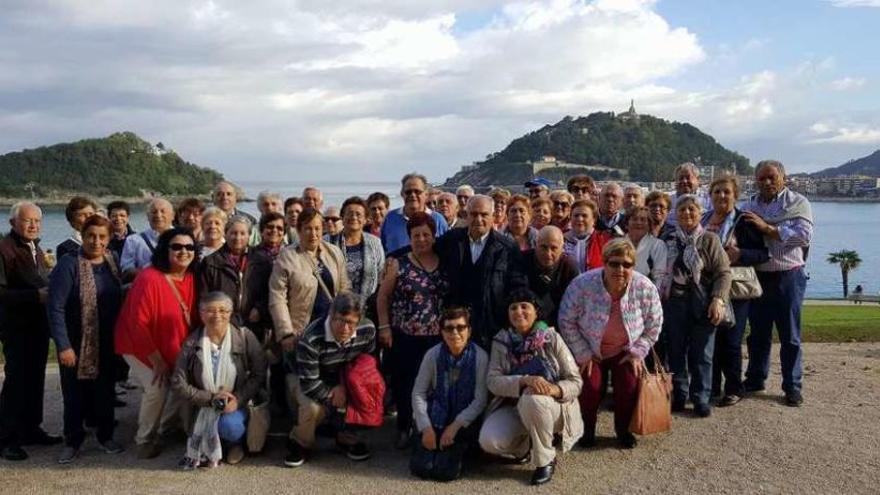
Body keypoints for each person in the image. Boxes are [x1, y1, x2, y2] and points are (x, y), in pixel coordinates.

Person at [558, 239, 663, 449]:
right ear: (604, 263)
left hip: (625, 349)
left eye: (627, 264)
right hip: (590, 349)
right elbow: (566, 319)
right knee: (590, 387)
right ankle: (586, 429)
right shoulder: (582, 284)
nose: (620, 269)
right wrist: (583, 352)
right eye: (614, 263)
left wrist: (637, 352)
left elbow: (655, 322)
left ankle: (623, 430)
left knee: (629, 386)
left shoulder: (644, 287)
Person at [478, 289, 583, 486]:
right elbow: (493, 381)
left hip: (552, 407)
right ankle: (524, 447)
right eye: (513, 308)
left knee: (533, 398)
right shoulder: (501, 341)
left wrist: (555, 390)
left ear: (536, 312)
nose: (519, 312)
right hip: (514, 407)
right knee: (489, 440)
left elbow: (575, 381)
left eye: (525, 306)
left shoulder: (551, 338)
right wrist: (524, 380)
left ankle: (546, 459)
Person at [114, 227, 198, 459]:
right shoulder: (149, 278)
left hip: (168, 344)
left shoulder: (190, 277)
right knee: (157, 388)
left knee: (179, 385)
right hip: (139, 345)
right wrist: (156, 359)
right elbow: (137, 323)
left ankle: (165, 427)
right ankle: (145, 439)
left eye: (189, 247)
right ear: (165, 249)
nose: (184, 251)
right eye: (177, 247)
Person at [48, 215, 125, 463]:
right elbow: (55, 308)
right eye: (91, 235)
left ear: (109, 239)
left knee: (104, 390)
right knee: (74, 395)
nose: (96, 241)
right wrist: (64, 346)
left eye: (102, 236)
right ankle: (72, 441)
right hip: (76, 342)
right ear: (82, 235)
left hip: (106, 341)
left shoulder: (111, 261)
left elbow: (116, 293)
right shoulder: (68, 264)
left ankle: (105, 436)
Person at [741, 160, 813, 407]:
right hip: (759, 277)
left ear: (784, 177)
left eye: (772, 177)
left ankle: (792, 386)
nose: (767, 182)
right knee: (758, 333)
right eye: (762, 178)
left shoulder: (798, 203)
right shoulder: (749, 205)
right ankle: (755, 378)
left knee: (790, 335)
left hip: (788, 276)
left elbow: (803, 237)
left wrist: (768, 229)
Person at [376, 213, 448, 448]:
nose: (421, 239)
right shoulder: (399, 263)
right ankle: (403, 426)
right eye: (416, 235)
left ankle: (426, 426)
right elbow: (383, 296)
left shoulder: (443, 261)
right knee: (405, 383)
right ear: (409, 237)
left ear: (434, 236)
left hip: (436, 337)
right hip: (405, 335)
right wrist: (384, 326)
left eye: (426, 234)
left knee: (433, 383)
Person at [172, 291, 267, 468]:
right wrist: (210, 399)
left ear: (230, 313)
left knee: (230, 426)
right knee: (202, 424)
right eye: (210, 310)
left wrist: (237, 399)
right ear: (201, 314)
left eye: (223, 310)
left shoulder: (245, 337)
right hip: (202, 405)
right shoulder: (192, 343)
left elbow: (259, 373)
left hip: (236, 401)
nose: (217, 315)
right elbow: (179, 382)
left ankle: (234, 445)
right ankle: (213, 447)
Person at [284, 293, 378, 467]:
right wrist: (333, 393)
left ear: (359, 321)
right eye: (339, 320)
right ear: (331, 315)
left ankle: (346, 438)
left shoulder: (368, 330)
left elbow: (367, 366)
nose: (344, 328)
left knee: (367, 393)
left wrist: (350, 388)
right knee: (313, 408)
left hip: (342, 377)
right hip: (304, 376)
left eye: (350, 322)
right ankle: (300, 442)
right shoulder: (312, 337)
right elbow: (309, 384)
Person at [0, 202, 60, 461]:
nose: (34, 225)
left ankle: (31, 429)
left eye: (37, 220)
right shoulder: (5, 249)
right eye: (28, 221)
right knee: (16, 382)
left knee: (35, 378)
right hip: (15, 326)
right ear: (13, 223)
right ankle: (7, 439)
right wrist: (36, 295)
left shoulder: (34, 248)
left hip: (37, 325)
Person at [702, 175, 769, 407]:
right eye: (717, 192)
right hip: (706, 287)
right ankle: (712, 386)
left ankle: (734, 387)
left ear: (735, 195)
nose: (721, 196)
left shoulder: (745, 221)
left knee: (731, 338)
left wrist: (740, 254)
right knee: (711, 337)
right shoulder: (703, 219)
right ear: (710, 196)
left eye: (726, 192)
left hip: (735, 289)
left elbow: (763, 254)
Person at [662, 195, 731, 417]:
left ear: (700, 213)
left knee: (703, 353)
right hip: (675, 302)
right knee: (675, 351)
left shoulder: (710, 240)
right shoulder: (668, 239)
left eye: (692, 209)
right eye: (682, 209)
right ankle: (679, 394)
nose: (687, 213)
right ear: (676, 214)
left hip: (703, 303)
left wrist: (718, 299)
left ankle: (701, 397)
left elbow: (723, 273)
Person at [435, 195, 528, 349]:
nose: (478, 219)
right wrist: (393, 257)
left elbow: (518, 287)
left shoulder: (507, 247)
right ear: (465, 215)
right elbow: (425, 250)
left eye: (484, 214)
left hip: (491, 327)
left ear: (493, 217)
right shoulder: (451, 240)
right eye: (474, 214)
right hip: (456, 326)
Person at [411, 306, 489, 481]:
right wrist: (426, 427)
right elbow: (418, 392)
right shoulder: (432, 355)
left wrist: (454, 427)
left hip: (464, 420)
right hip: (436, 415)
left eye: (460, 327)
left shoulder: (480, 357)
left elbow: (480, 400)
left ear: (469, 331)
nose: (455, 333)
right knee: (421, 468)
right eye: (449, 328)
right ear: (442, 332)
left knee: (446, 472)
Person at [269, 207, 350, 363]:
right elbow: (277, 297)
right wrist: (286, 333)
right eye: (308, 229)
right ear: (299, 230)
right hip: (301, 331)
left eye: (317, 228)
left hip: (331, 327)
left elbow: (344, 288)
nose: (313, 234)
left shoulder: (334, 252)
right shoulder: (287, 257)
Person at [325, 196, 385, 302]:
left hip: (367, 306)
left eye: (358, 214)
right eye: (349, 213)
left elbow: (381, 275)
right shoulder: (327, 242)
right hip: (334, 305)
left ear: (366, 219)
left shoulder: (375, 243)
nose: (353, 217)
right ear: (342, 217)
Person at [197, 216, 254, 328]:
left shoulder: (259, 259)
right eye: (233, 233)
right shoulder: (210, 262)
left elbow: (267, 291)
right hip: (222, 322)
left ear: (249, 236)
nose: (238, 238)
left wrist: (259, 308)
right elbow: (204, 296)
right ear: (225, 234)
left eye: (243, 233)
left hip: (253, 322)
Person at [524, 226, 578, 329]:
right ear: (535, 245)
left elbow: (572, 305)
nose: (548, 254)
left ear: (562, 248)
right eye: (543, 247)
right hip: (526, 321)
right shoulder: (522, 261)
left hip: (559, 323)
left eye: (554, 248)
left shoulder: (570, 268)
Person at [381, 173, 449, 253]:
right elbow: (383, 248)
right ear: (402, 194)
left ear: (426, 194)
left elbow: (446, 250)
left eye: (417, 191)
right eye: (408, 192)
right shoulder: (390, 218)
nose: (413, 195)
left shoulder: (438, 220)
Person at [120, 198, 175, 279]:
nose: (158, 215)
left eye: (163, 211)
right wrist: (153, 273)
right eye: (154, 212)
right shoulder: (133, 240)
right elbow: (126, 270)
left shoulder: (183, 239)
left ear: (173, 215)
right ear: (148, 216)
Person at [563, 199, 611, 273]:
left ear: (594, 219)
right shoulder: (561, 238)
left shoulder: (605, 240)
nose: (580, 219)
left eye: (584, 216)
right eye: (576, 215)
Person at [626, 206, 668, 287]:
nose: (638, 222)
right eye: (634, 219)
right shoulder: (618, 243)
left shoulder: (657, 245)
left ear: (649, 224)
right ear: (627, 222)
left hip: (646, 292)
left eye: (643, 220)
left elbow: (659, 277)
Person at [667, 163, 710, 227]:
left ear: (698, 180)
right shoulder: (668, 201)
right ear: (675, 181)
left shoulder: (708, 200)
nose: (684, 181)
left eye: (688, 177)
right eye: (681, 178)